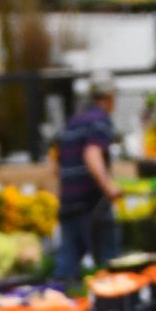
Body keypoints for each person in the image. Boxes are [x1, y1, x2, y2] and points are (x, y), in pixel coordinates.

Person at [54, 78, 122, 277]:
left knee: (67, 260)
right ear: (109, 99)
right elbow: (92, 154)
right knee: (109, 262)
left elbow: (57, 165)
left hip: (68, 201)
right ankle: (111, 303)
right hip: (91, 203)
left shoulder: (72, 123)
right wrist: (109, 187)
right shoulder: (100, 120)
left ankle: (56, 301)